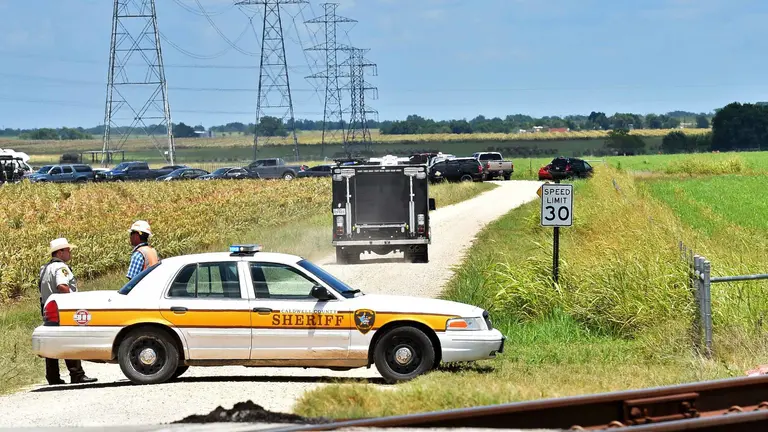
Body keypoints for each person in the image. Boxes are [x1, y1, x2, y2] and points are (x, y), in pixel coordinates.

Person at [38, 237, 97, 385]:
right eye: (67, 250)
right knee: (70, 339)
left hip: (48, 309)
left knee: (52, 342)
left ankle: (52, 376)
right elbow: (62, 286)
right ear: (60, 252)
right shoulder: (61, 268)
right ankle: (77, 374)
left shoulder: (44, 269)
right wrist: (73, 301)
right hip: (63, 309)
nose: (70, 253)